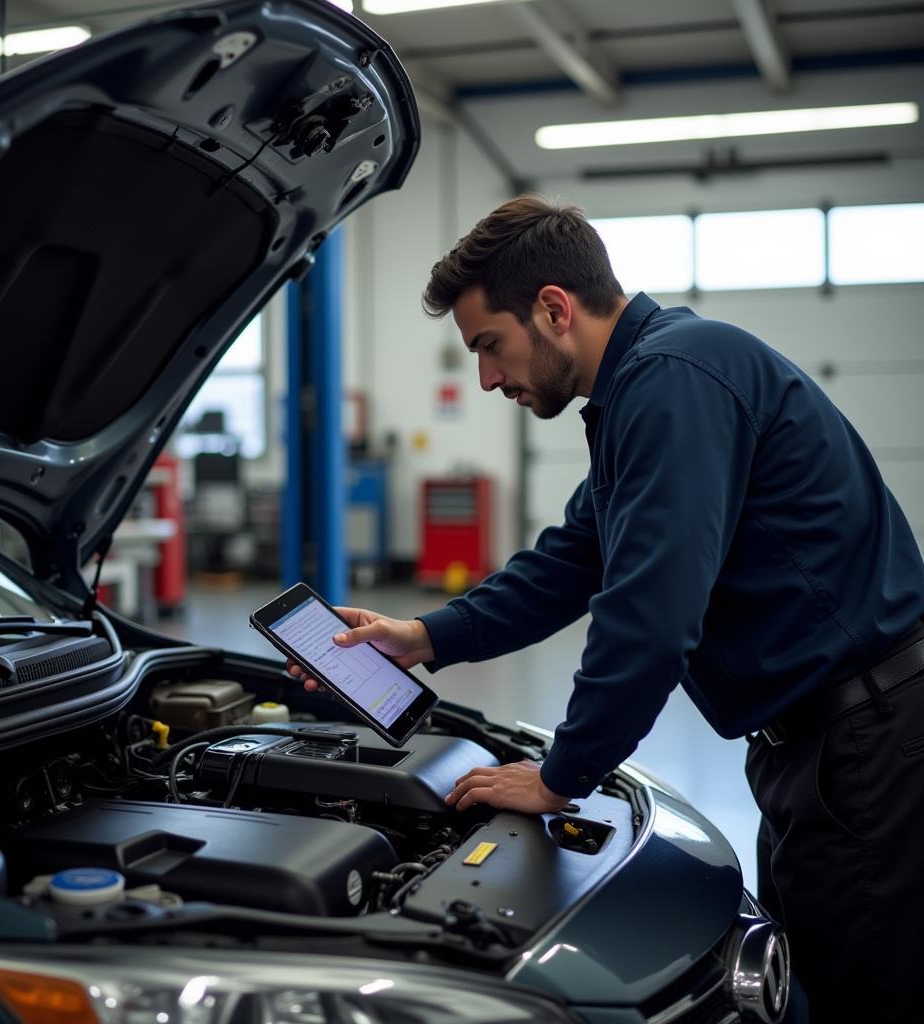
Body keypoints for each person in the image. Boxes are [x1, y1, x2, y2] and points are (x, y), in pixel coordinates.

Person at [287, 195, 924, 1022]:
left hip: (867, 744)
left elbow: (650, 612)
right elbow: (569, 562)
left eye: (489, 345)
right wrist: (422, 636)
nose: (485, 378)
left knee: (857, 997)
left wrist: (563, 775)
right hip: (818, 747)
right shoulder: (643, 390)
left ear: (554, 309)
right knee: (802, 982)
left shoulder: (673, 379)